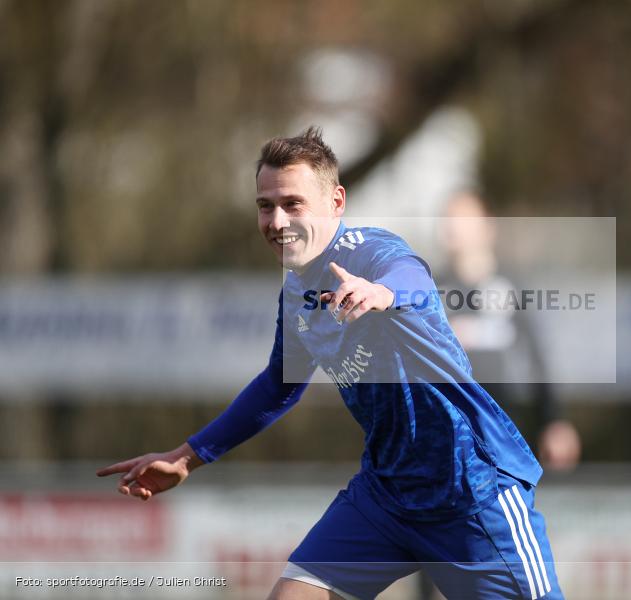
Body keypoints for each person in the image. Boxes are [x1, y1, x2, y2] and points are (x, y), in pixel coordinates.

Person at [97, 128, 563, 600]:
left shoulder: (367, 252)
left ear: (336, 202)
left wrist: (382, 293)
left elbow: (412, 276)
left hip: (470, 490)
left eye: (293, 204)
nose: (277, 220)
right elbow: (279, 386)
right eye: (265, 205)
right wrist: (187, 457)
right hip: (387, 495)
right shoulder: (297, 294)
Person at [412, 191, 581, 600]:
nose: (453, 229)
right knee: (432, 540)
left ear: (486, 228)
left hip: (499, 437)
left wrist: (554, 421)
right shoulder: (432, 289)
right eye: (448, 220)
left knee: (502, 538)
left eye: (463, 219)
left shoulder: (509, 287)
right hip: (445, 439)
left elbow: (536, 357)